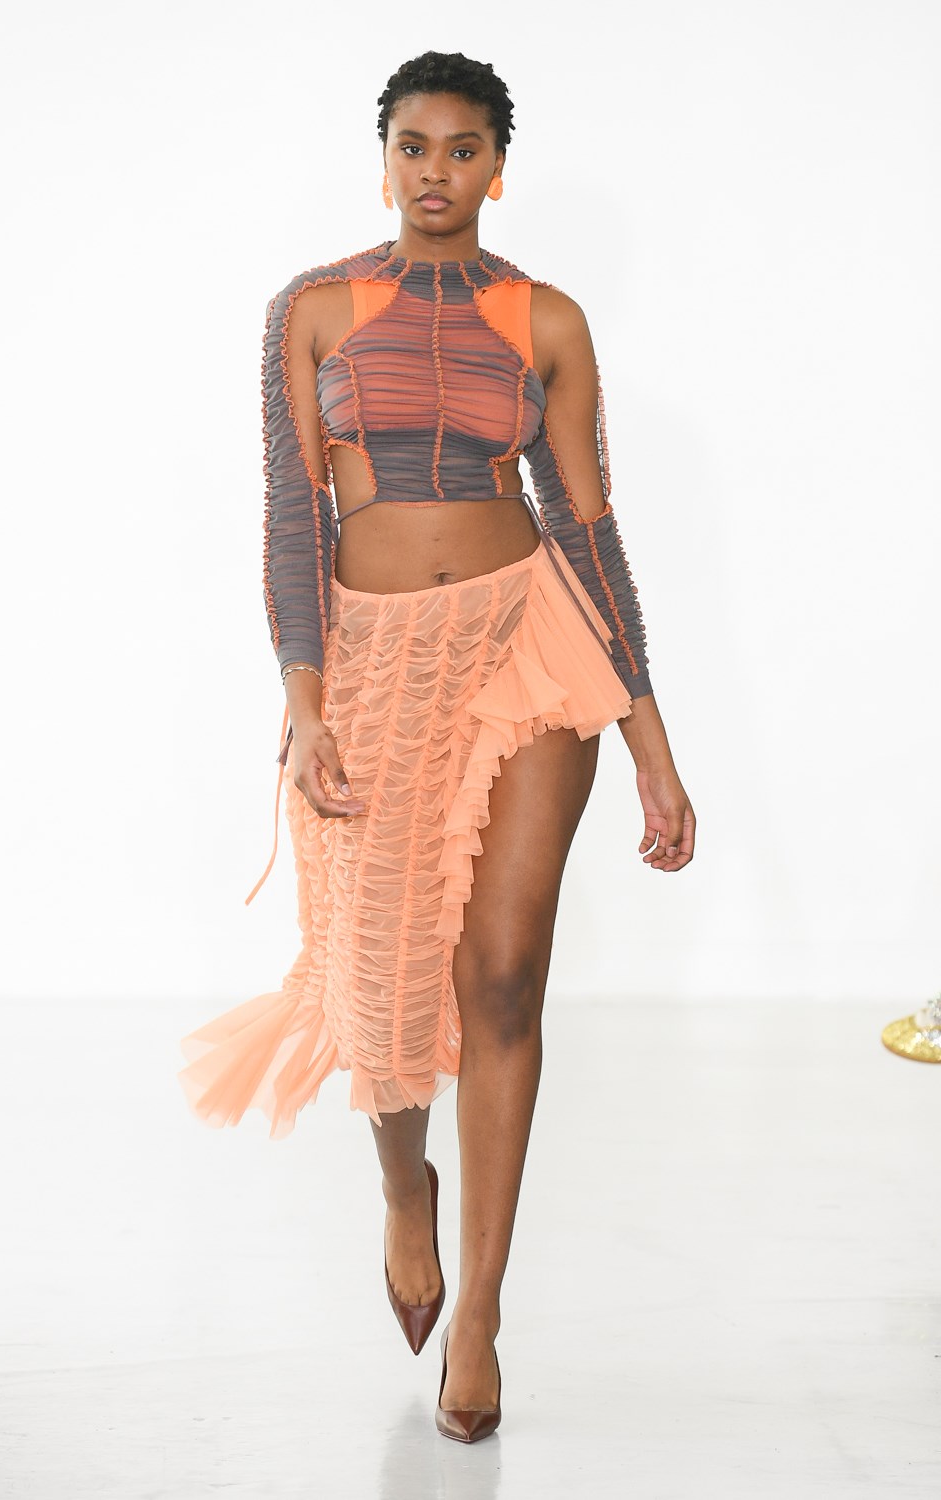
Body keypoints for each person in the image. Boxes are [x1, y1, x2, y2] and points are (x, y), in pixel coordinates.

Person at [179, 50, 695, 1443]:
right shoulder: (314, 309)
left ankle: (481, 1318)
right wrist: (304, 701)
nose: (436, 171)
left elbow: (588, 529)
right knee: (388, 987)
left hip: (529, 640)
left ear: (498, 169)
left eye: (464, 150)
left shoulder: (548, 320)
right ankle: (405, 1189)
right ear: (385, 157)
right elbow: (293, 517)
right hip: (374, 664)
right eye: (415, 145)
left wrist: (650, 739)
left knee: (507, 975)